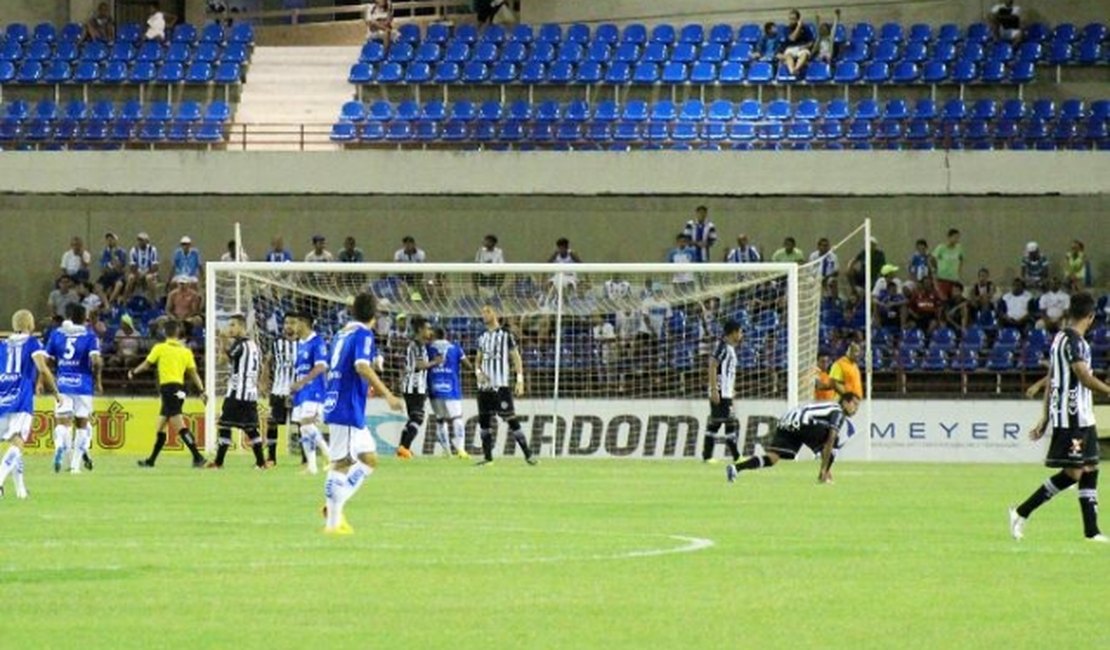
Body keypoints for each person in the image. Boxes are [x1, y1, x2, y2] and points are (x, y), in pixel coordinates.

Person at [1009, 293, 1109, 542]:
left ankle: (1092, 531)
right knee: (1074, 473)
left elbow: (1053, 377)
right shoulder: (1072, 342)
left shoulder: (1061, 339)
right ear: (1090, 317)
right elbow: (1083, 377)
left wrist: (1044, 416)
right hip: (1071, 416)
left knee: (1091, 467)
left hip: (1084, 417)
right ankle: (1021, 512)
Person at [321, 292, 403, 535]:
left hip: (345, 403)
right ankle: (333, 524)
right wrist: (387, 394)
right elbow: (360, 366)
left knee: (369, 459)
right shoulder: (363, 333)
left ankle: (335, 503)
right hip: (346, 405)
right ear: (374, 315)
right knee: (342, 462)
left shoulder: (341, 333)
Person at [727, 393, 861, 484]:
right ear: (844, 402)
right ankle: (824, 475)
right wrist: (824, 469)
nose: (856, 409)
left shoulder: (828, 406)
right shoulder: (838, 412)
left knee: (772, 458)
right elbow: (831, 437)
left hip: (787, 419)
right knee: (833, 440)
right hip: (803, 423)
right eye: (854, 404)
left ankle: (736, 468)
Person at [0, 310, 61, 499]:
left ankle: (21, 490)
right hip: (21, 398)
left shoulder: (3, 344)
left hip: (2, 397)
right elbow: (42, 368)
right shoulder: (33, 343)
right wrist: (57, 393)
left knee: (15, 445)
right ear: (30, 324)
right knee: (18, 442)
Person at [130, 320, 207, 468]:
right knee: (160, 426)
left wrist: (133, 372)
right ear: (178, 333)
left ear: (165, 332)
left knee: (179, 425)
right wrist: (202, 390)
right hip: (180, 389)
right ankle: (151, 460)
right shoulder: (185, 351)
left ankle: (198, 457)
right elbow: (193, 373)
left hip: (168, 390)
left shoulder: (160, 348)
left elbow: (147, 364)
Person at [474, 304, 537, 466]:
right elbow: (477, 360)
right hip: (484, 388)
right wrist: (479, 374)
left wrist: (520, 380)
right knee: (484, 422)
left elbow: (516, 357)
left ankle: (528, 454)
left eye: (487, 311)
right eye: (482, 312)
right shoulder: (481, 337)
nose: (484, 315)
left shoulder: (505, 335)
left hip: (501, 386)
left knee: (511, 418)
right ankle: (488, 459)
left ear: (496, 313)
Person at [45, 304, 102, 474]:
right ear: (84, 317)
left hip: (62, 382)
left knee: (63, 422)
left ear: (67, 316)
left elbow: (47, 359)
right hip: (83, 384)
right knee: (82, 424)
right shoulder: (89, 335)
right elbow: (96, 361)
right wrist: (98, 379)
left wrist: (43, 380)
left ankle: (60, 447)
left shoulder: (56, 334)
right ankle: (75, 466)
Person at [208, 314, 266, 469]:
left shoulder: (240, 344)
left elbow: (222, 361)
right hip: (250, 393)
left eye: (233, 325)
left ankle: (218, 462)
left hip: (237, 393)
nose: (230, 329)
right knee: (251, 428)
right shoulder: (253, 345)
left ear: (242, 326)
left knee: (225, 426)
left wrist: (221, 341)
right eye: (229, 325)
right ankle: (261, 462)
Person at [288, 312, 331, 474]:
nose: (293, 327)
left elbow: (321, 367)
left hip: (314, 390)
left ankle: (330, 456)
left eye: (295, 323)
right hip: (301, 393)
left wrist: (301, 383)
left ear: (304, 323)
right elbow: (300, 370)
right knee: (304, 427)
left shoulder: (317, 341)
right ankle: (312, 466)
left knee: (307, 423)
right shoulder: (300, 344)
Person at [396, 316, 442, 459]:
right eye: (427, 328)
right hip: (413, 387)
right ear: (420, 329)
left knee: (413, 419)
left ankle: (403, 449)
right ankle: (404, 448)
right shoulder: (415, 345)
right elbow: (419, 365)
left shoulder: (421, 345)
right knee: (417, 418)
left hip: (417, 387)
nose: (430, 331)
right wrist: (436, 361)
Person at [428, 327, 471, 459]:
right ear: (445, 335)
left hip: (434, 387)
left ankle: (447, 451)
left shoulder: (428, 348)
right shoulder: (456, 348)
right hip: (451, 388)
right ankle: (461, 450)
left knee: (441, 420)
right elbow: (468, 365)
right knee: (457, 418)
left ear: (434, 335)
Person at [703, 321, 743, 464]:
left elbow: (726, 372)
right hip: (720, 392)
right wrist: (714, 389)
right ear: (733, 333)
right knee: (730, 423)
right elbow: (712, 365)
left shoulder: (730, 348)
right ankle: (737, 457)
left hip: (726, 392)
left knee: (716, 424)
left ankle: (707, 456)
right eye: (740, 332)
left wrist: (731, 388)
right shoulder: (722, 347)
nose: (741, 335)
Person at [260, 317, 297, 467]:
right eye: (286, 323)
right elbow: (267, 362)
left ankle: (305, 459)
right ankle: (271, 457)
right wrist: (263, 381)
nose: (288, 326)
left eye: (292, 322)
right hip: (278, 389)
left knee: (301, 425)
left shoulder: (304, 343)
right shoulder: (276, 342)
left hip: (297, 391)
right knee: (272, 423)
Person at [780, 9, 816, 76]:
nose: (791, 21)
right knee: (788, 56)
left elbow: (811, 42)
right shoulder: (786, 28)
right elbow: (792, 38)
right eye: (790, 19)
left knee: (804, 54)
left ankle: (796, 69)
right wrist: (798, 27)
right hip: (791, 48)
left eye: (793, 19)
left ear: (798, 19)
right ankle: (792, 71)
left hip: (802, 48)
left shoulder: (806, 28)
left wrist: (806, 46)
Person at [931, 228, 964, 300]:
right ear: (949, 237)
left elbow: (961, 258)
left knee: (953, 299)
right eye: (955, 237)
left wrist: (959, 270)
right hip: (943, 278)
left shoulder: (959, 248)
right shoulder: (941, 247)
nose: (957, 239)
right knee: (943, 299)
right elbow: (932, 258)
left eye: (958, 237)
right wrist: (935, 269)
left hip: (954, 279)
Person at [126, 232, 160, 299]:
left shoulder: (152, 250)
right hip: (137, 272)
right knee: (130, 278)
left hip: (149, 272)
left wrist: (145, 273)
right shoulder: (134, 250)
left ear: (147, 241)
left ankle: (153, 301)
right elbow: (132, 266)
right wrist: (139, 273)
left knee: (149, 278)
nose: (140, 242)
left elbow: (155, 266)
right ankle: (126, 300)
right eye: (139, 240)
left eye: (142, 240)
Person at [98, 232, 128, 305]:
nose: (110, 241)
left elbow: (121, 268)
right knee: (98, 286)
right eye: (108, 240)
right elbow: (102, 268)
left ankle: (111, 302)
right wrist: (107, 268)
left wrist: (115, 259)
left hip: (118, 276)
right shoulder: (104, 253)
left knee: (119, 285)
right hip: (108, 275)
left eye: (112, 239)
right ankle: (106, 304)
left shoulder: (121, 252)